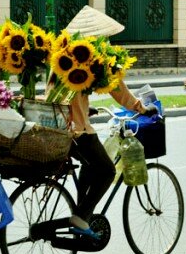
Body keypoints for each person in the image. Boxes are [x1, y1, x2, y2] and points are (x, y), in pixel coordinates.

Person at [67, 79, 156, 238]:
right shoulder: (89, 56)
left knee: (89, 162)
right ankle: (81, 216)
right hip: (78, 131)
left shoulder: (62, 56)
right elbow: (112, 82)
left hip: (59, 125)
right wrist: (139, 107)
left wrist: (83, 107)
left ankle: (81, 211)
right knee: (108, 171)